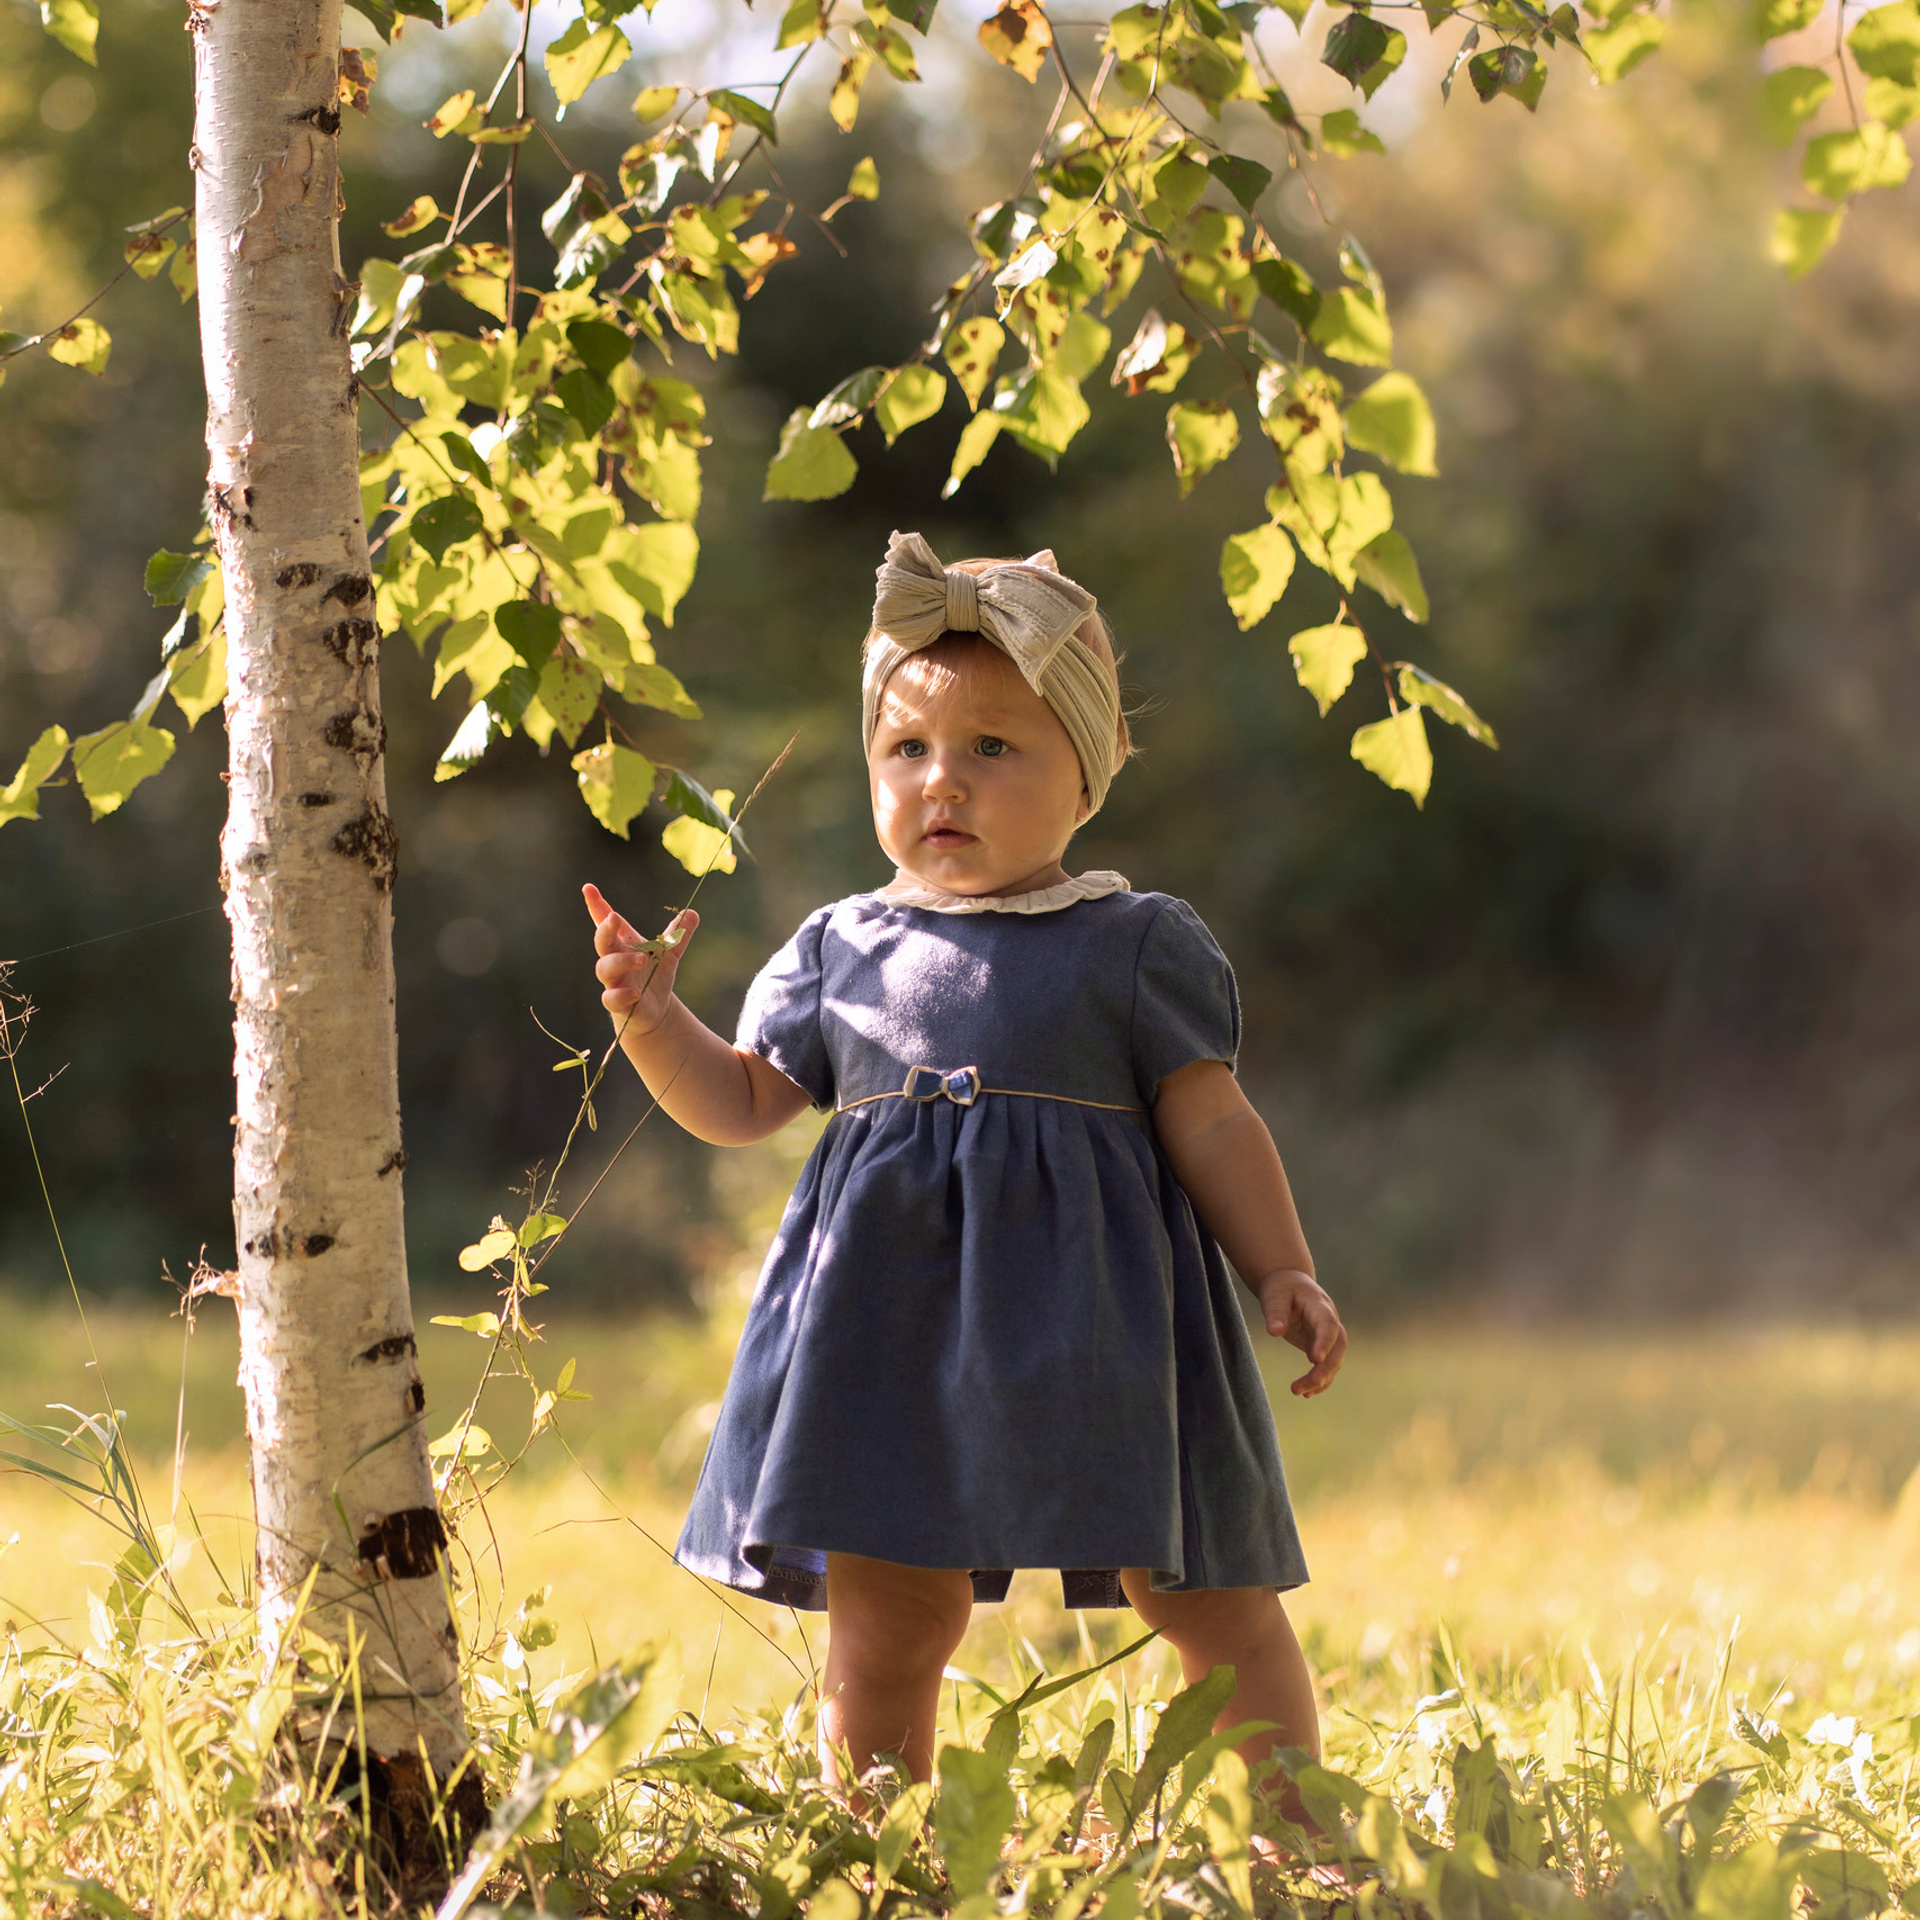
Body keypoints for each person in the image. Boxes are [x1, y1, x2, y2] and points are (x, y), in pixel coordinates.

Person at [583, 529, 1347, 1798]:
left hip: (1106, 1327)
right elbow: (746, 1101)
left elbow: (1213, 1121)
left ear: (1087, 776)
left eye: (994, 748)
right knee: (890, 1621)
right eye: (909, 750)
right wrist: (655, 1026)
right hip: (891, 1328)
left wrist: (1282, 1269)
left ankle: (1294, 1834)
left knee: (1210, 1595)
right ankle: (877, 1844)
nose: (945, 781)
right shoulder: (841, 946)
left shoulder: (1134, 942)